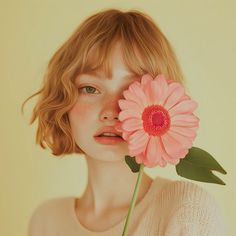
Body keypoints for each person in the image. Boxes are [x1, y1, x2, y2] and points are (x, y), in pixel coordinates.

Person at [24, 8, 226, 236]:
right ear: (64, 100)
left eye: (131, 90)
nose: (111, 112)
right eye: (90, 88)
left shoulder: (187, 212)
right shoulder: (46, 221)